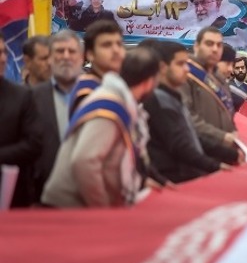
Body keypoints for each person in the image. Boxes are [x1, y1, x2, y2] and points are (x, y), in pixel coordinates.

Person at [42, 47, 160, 208]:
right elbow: (84, 162)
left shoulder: (121, 102)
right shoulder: (109, 107)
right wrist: (102, 209)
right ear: (149, 82)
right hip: (71, 208)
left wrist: (140, 183)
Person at [142, 40, 232, 183]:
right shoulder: (157, 100)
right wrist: (215, 166)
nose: (187, 69)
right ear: (163, 67)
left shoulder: (173, 96)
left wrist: (229, 153)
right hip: (175, 180)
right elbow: (180, 146)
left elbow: (191, 136)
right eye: (180, 64)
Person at [32, 30, 84, 201]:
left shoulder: (97, 94)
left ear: (81, 57)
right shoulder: (31, 98)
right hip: (43, 193)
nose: (66, 56)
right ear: (50, 58)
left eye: (72, 51)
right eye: (60, 51)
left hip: (88, 192)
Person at [180, 26, 242, 164]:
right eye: (209, 43)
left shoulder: (219, 77)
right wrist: (221, 136)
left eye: (219, 45)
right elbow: (186, 117)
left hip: (222, 153)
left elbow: (228, 112)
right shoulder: (185, 73)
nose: (215, 49)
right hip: (198, 156)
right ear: (196, 46)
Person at [0, 31, 42, 207]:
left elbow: (33, 144)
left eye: (4, 52)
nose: (3, 59)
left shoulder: (21, 96)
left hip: (13, 199)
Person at [68, 20, 125, 116]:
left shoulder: (118, 84)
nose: (116, 50)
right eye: (107, 45)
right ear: (90, 54)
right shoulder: (87, 93)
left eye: (119, 44)